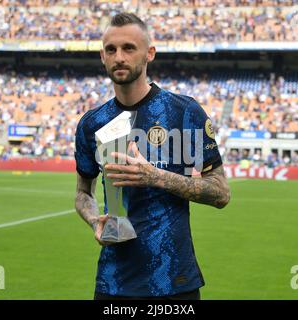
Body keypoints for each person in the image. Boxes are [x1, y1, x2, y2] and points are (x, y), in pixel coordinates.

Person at [74, 13, 231, 300]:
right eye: (111, 49)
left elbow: (221, 193)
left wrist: (155, 177)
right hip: (113, 284)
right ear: (102, 56)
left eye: (129, 48)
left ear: (149, 53)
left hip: (174, 282)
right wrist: (94, 219)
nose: (119, 56)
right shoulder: (92, 123)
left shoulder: (184, 112)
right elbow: (83, 193)